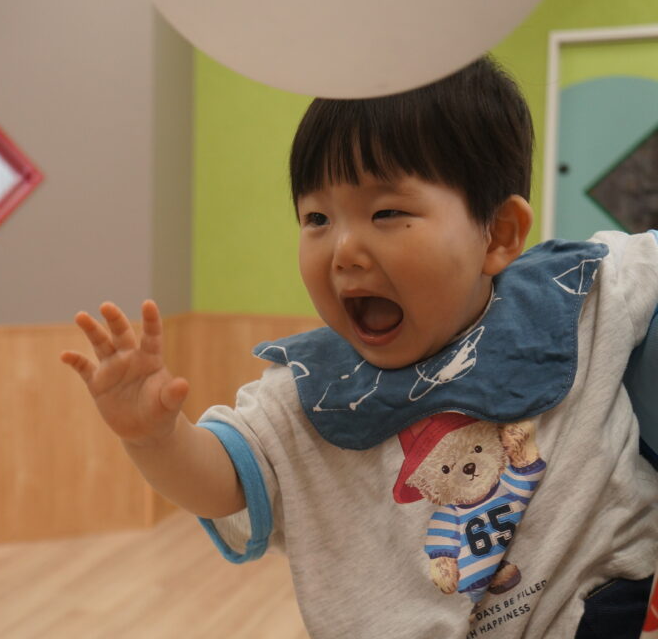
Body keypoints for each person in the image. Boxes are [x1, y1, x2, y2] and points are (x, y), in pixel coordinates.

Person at [60, 57, 658, 638]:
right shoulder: (310, 392)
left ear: (498, 234)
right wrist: (154, 437)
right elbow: (224, 482)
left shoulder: (578, 293)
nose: (343, 249)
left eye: (386, 211)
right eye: (317, 218)